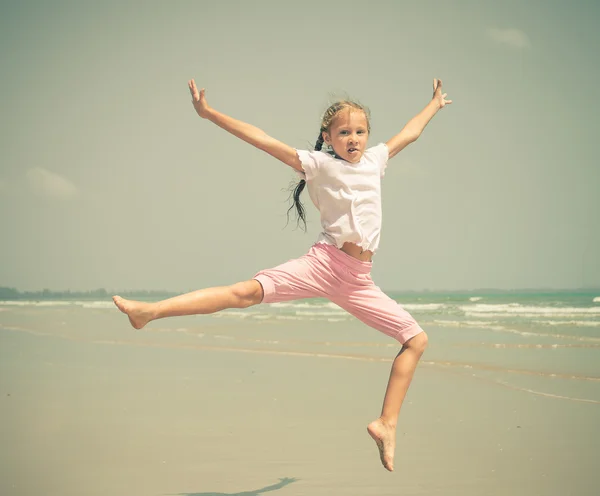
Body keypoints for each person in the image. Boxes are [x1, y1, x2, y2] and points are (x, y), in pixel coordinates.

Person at [113, 78, 452, 471]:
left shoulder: (377, 159)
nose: (353, 138)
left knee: (416, 340)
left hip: (359, 279)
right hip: (323, 265)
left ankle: (386, 423)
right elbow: (261, 138)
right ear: (328, 136)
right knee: (244, 292)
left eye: (360, 131)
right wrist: (210, 115)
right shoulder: (318, 164)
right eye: (343, 132)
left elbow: (410, 133)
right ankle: (150, 312)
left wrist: (433, 105)